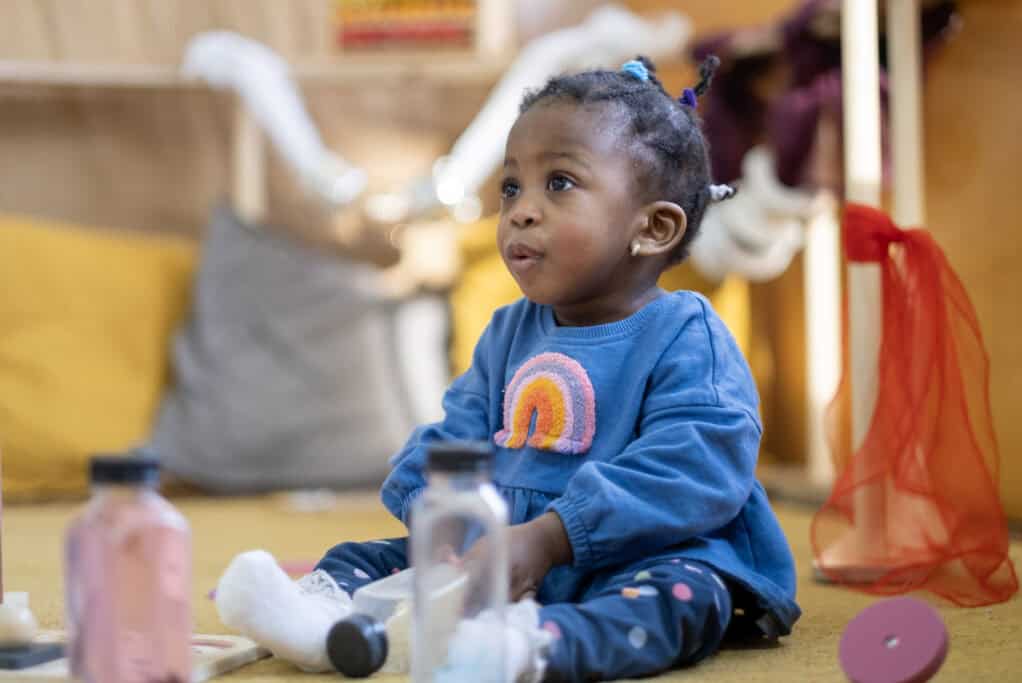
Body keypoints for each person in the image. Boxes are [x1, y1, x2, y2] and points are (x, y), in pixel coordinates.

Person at [214, 56, 800, 682]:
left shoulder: (687, 334)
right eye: (512, 188)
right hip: (499, 550)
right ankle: (324, 625)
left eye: (561, 184)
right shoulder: (509, 330)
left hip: (641, 551)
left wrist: (553, 537)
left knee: (685, 597)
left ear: (652, 228)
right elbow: (455, 436)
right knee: (372, 555)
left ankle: (535, 647)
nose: (520, 210)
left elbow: (696, 467)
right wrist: (437, 515)